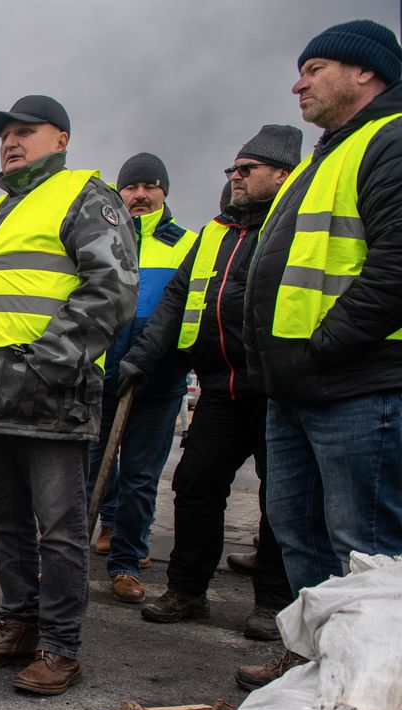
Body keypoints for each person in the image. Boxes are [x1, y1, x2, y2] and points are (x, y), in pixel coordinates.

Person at [0, 95, 138, 695]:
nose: (12, 142)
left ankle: (61, 646)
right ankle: (18, 622)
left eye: (27, 131)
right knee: (3, 522)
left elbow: (112, 288)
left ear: (62, 138)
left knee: (60, 527)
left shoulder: (85, 196)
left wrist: (48, 363)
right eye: (4, 135)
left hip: (48, 391)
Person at [239, 20, 402, 689]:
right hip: (299, 388)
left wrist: (324, 348)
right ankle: (313, 666)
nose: (298, 82)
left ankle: (369, 688)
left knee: (363, 549)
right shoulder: (325, 155)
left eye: (315, 68)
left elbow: (394, 267)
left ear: (366, 73)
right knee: (299, 535)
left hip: (356, 386)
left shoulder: (389, 142)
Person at [128, 127, 302, 644]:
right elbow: (175, 301)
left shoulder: (294, 226)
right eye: (232, 170)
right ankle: (186, 589)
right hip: (220, 386)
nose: (235, 179)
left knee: (284, 498)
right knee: (196, 483)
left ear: (282, 175)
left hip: (279, 388)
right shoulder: (213, 234)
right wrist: (140, 359)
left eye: (247, 170)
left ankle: (273, 601)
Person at [86, 153, 197, 603]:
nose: (140, 196)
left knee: (140, 477)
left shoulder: (187, 243)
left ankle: (127, 562)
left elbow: (186, 312)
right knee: (87, 470)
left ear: (164, 192)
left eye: (149, 187)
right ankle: (72, 552)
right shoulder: (103, 238)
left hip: (156, 381)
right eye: (131, 188)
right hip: (101, 377)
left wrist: (163, 359)